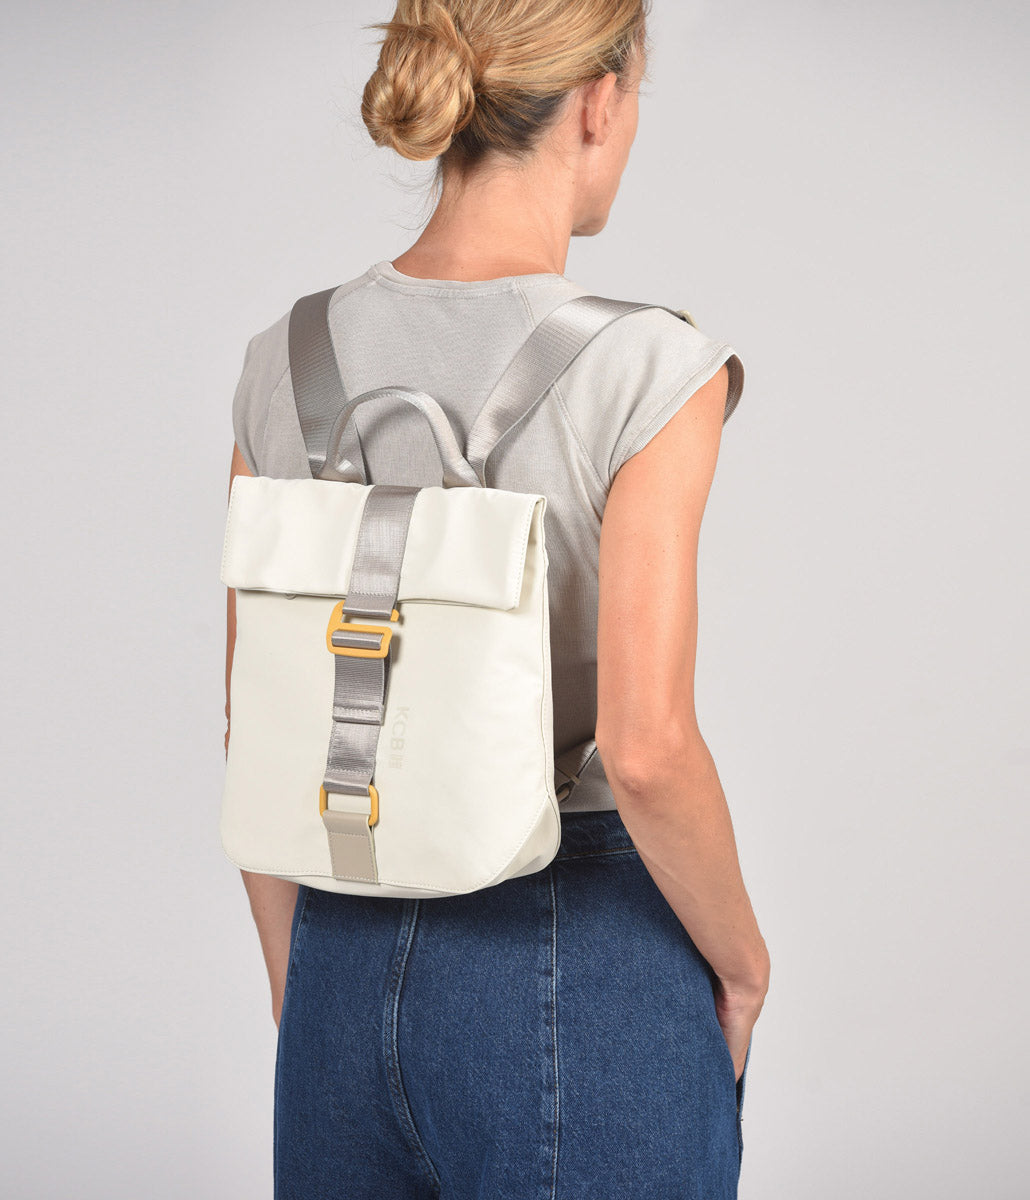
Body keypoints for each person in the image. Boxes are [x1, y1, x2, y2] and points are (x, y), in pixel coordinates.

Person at [223, 1, 770, 1195]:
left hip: (337, 952)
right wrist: (741, 967)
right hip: (577, 952)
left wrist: (302, 991)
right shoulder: (650, 368)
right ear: (600, 100)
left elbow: (257, 728)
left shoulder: (284, 357)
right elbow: (644, 749)